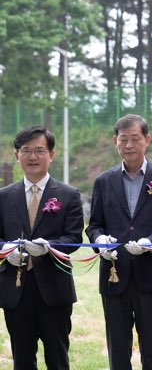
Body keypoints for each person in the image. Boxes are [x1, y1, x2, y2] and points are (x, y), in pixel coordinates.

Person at [86, 114, 152, 370]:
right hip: (114, 275)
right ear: (115, 141)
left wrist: (151, 240)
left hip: (151, 274)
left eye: (135, 139)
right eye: (123, 139)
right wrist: (100, 241)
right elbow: (93, 224)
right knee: (117, 349)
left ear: (147, 140)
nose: (129, 145)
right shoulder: (103, 182)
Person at [0, 126, 83, 370]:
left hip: (54, 288)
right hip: (15, 288)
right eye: (26, 151)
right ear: (17, 155)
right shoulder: (4, 196)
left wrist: (49, 247)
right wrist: (7, 252)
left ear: (52, 154)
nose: (33, 157)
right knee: (22, 358)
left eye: (39, 150)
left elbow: (74, 238)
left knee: (57, 356)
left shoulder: (68, 195)